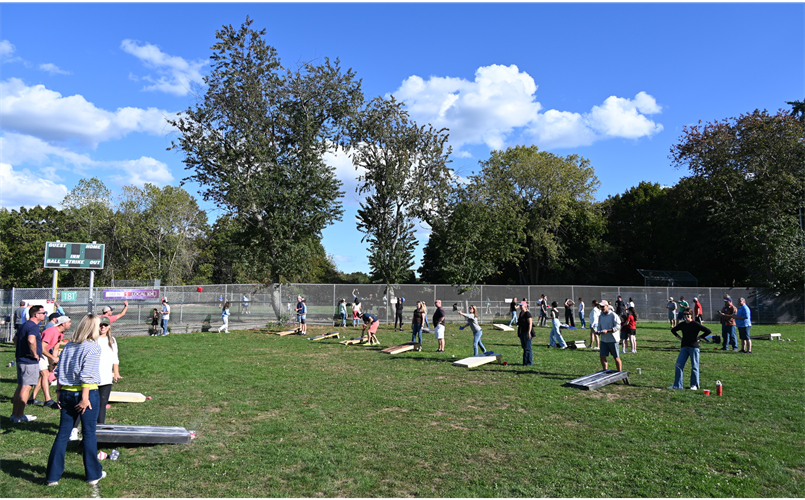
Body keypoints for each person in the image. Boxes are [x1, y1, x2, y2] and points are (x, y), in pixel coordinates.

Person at [46, 313, 105, 486]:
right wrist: (85, 398)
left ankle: (52, 476)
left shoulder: (69, 346)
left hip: (65, 393)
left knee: (63, 434)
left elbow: (58, 371)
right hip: (85, 394)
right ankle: (93, 474)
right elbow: (87, 375)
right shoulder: (93, 347)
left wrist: (58, 393)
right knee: (88, 434)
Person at [10, 305, 46, 422]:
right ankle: (20, 415)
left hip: (21, 360)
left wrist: (21, 349)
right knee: (26, 388)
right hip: (29, 362)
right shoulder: (33, 326)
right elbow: (31, 340)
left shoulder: (24, 325)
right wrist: (35, 353)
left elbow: (15, 339)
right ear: (36, 315)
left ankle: (14, 414)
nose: (44, 315)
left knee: (20, 386)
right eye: (43, 313)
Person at [32, 315, 71, 409]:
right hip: (37, 353)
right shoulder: (51, 331)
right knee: (45, 374)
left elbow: (56, 348)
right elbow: (41, 348)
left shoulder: (61, 333)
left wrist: (53, 361)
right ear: (63, 323)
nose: (71, 324)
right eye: (69, 322)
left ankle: (31, 398)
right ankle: (48, 400)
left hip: (45, 355)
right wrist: (52, 358)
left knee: (43, 376)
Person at [668, 310, 711, 390]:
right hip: (684, 347)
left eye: (688, 314)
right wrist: (680, 338)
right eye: (685, 314)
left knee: (694, 366)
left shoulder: (695, 324)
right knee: (678, 365)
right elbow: (673, 330)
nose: (686, 315)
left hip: (694, 347)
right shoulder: (683, 324)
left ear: (691, 315)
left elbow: (708, 331)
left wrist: (699, 338)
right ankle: (677, 385)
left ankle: (694, 385)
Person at [595, 300, 622, 372]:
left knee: (616, 357)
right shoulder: (601, 316)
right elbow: (599, 326)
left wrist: (608, 330)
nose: (602, 308)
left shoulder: (613, 315)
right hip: (604, 340)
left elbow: (618, 327)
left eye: (603, 306)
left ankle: (619, 373)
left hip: (613, 340)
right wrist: (598, 331)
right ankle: (605, 371)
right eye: (600, 307)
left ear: (607, 306)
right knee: (602, 356)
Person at [517, 301, 534, 365]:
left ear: (525, 306)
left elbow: (530, 324)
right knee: (524, 347)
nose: (520, 307)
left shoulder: (528, 314)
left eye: (522, 305)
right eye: (520, 305)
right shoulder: (521, 313)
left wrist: (529, 333)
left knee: (528, 348)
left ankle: (529, 363)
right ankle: (525, 362)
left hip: (527, 332)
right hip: (522, 332)